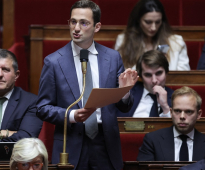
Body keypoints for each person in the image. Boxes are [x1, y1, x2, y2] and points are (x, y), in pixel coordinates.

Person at [36, 0, 138, 169]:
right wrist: (72, 115)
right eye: (73, 22)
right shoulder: (53, 62)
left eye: (84, 23)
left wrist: (124, 92)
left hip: (105, 143)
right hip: (72, 141)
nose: (76, 28)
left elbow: (124, 107)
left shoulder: (112, 58)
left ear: (96, 27)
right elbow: (42, 107)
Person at [114, 0, 190, 71]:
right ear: (138, 20)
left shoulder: (177, 42)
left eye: (157, 22)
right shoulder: (123, 40)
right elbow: (119, 74)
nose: (153, 28)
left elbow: (183, 77)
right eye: (148, 22)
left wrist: (164, 64)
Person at [137, 86, 205, 161]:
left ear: (199, 114)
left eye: (188, 112)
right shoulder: (153, 140)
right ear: (171, 112)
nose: (182, 117)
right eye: (177, 111)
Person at [117, 50, 173, 117]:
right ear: (141, 76)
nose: (154, 80)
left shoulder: (176, 98)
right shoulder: (129, 93)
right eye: (148, 75)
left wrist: (165, 107)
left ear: (166, 73)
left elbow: (176, 127)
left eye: (159, 73)